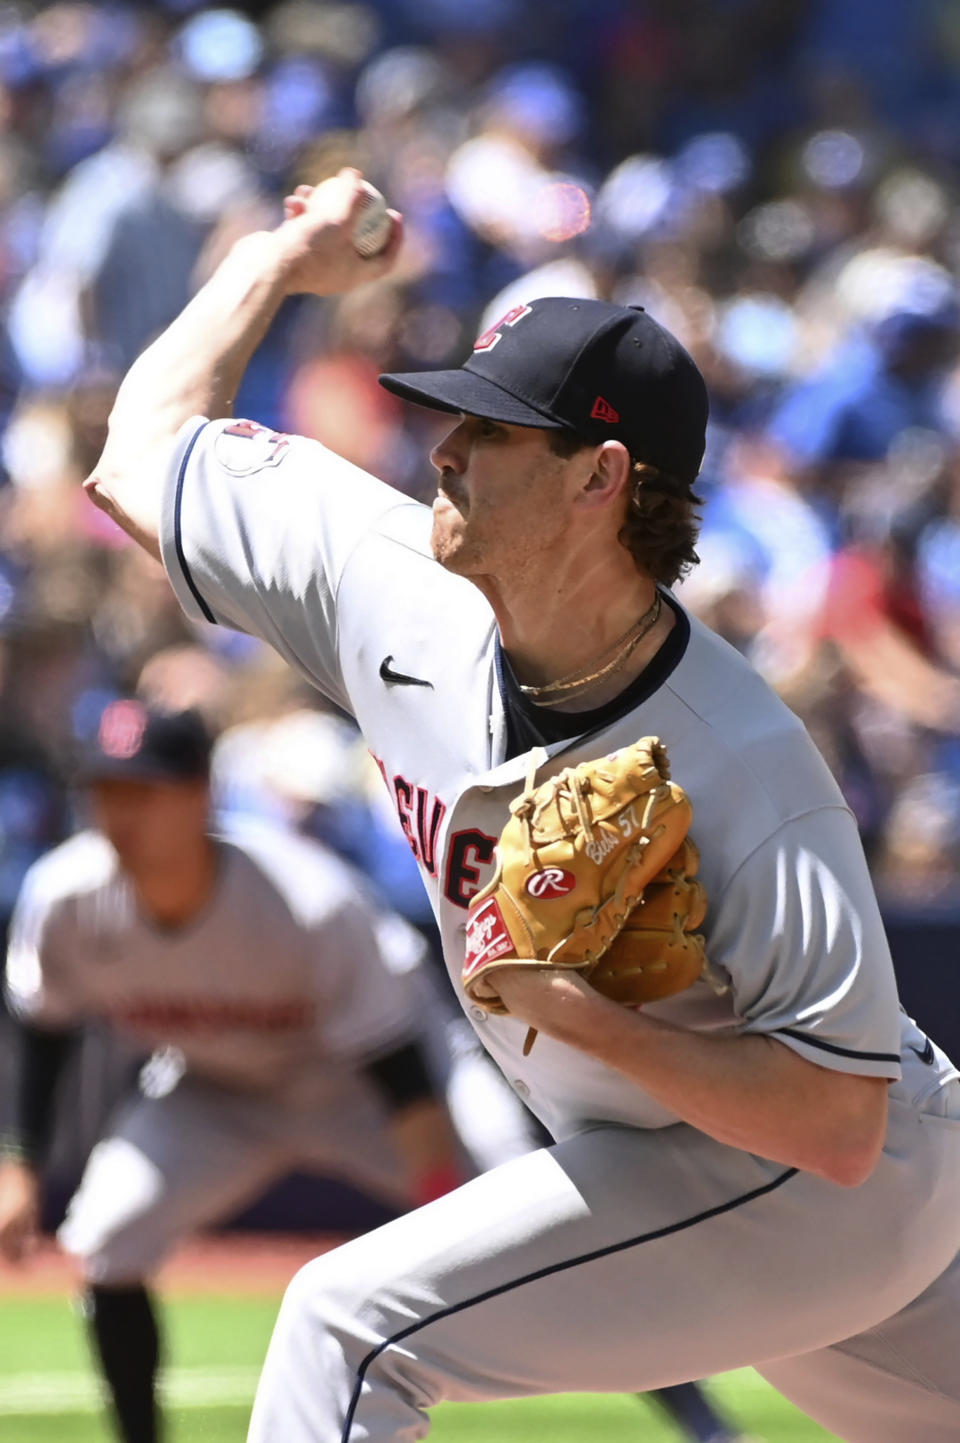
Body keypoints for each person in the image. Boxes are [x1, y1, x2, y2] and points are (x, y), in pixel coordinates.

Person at [83, 169, 960, 1443]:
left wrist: (588, 1019)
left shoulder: (745, 768)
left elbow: (836, 1120)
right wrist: (279, 262)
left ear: (601, 478)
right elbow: (138, 453)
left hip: (817, 1189)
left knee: (347, 1322)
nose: (444, 449)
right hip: (685, 1164)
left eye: (491, 432)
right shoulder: (388, 580)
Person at [0, 697, 465, 1443]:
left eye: (143, 791)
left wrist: (446, 1203)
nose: (119, 813)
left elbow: (400, 1069)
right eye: (105, 790)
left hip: (364, 1089)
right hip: (215, 1088)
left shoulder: (305, 898)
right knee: (107, 1234)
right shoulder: (65, 895)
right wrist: (18, 1165)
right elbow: (44, 1030)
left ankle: (699, 1421)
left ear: (200, 796)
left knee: (527, 1213)